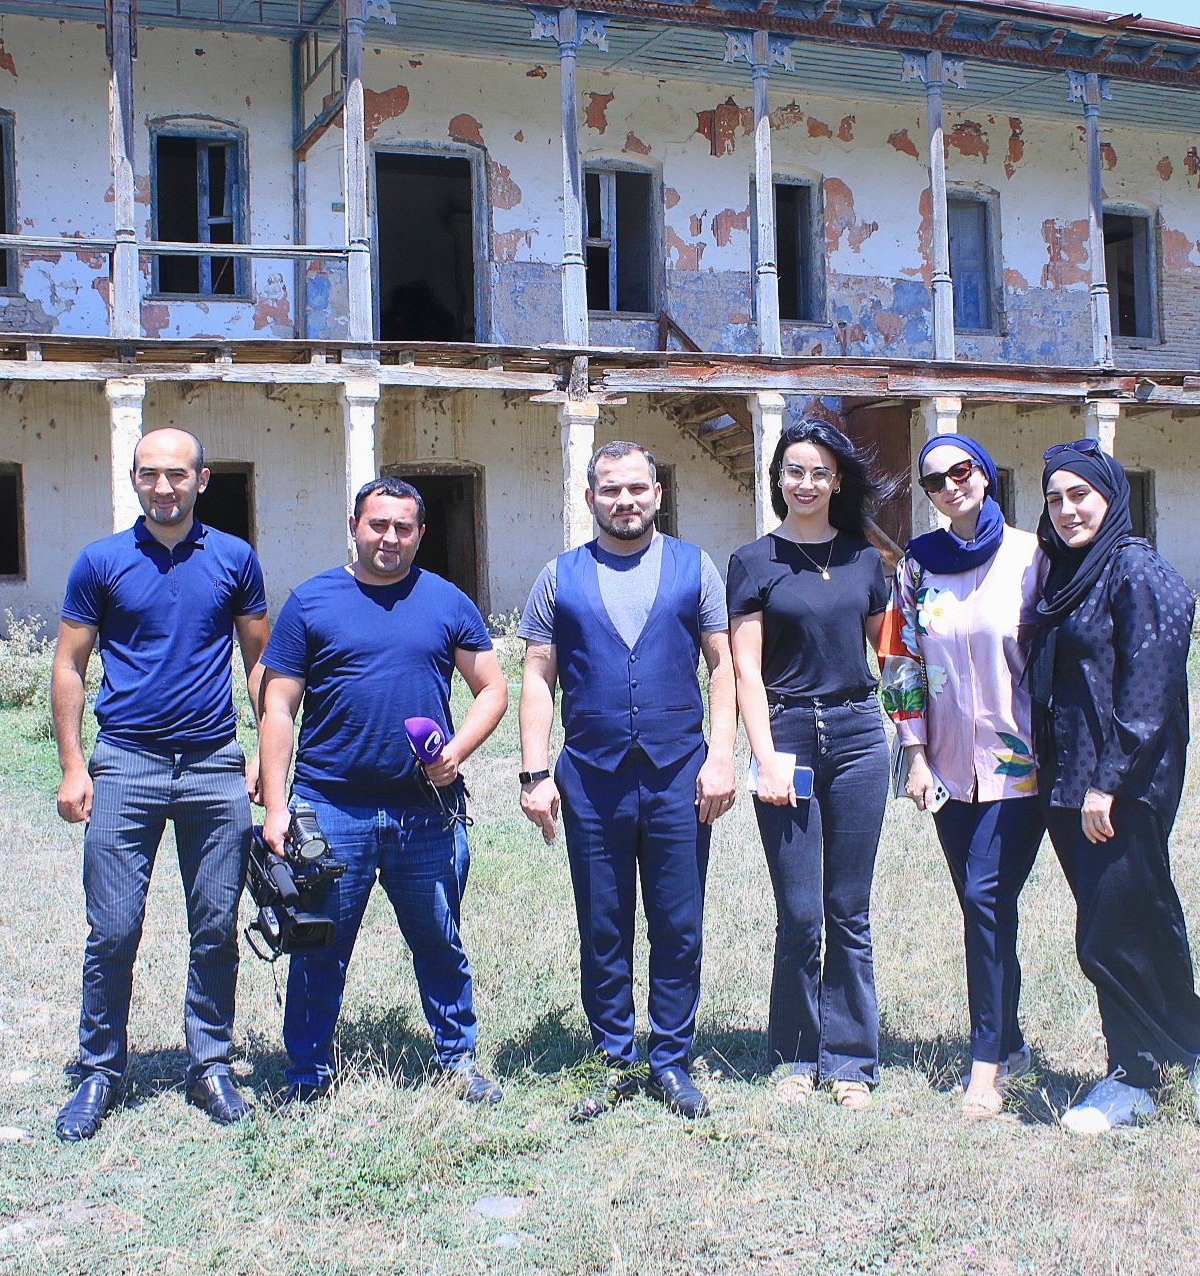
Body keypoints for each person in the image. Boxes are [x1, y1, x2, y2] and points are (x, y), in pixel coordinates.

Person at [257, 476, 509, 1105]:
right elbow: (278, 706)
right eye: (377, 525)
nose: (389, 538)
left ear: (420, 533)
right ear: (354, 527)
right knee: (318, 946)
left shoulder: (446, 600)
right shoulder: (311, 602)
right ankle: (307, 1076)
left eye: (403, 527)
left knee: (439, 942)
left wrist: (455, 752)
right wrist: (277, 806)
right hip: (330, 808)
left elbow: (493, 688)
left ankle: (458, 1061)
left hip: (424, 813)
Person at [51, 427, 269, 1140]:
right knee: (113, 929)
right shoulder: (101, 561)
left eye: (177, 474)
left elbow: (261, 663)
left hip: (212, 764)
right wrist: (74, 765)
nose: (163, 487)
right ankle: (98, 1071)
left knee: (215, 925)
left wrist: (264, 758)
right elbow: (69, 665)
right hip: (126, 763)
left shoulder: (234, 559)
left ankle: (210, 1063)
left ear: (201, 480)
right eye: (150, 474)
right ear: (135, 479)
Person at [517, 441, 737, 1121]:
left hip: (678, 774)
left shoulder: (695, 567)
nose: (625, 501)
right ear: (590, 498)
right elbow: (537, 676)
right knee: (603, 923)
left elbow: (723, 666)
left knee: (678, 922)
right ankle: (613, 1057)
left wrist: (722, 757)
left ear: (657, 493)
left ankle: (670, 1057)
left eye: (637, 488)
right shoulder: (559, 576)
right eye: (611, 490)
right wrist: (534, 772)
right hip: (591, 777)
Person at [1028, 440, 1200, 1134]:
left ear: (1111, 497)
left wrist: (1108, 784)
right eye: (1054, 498)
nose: (1066, 510)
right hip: (1067, 782)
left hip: (1119, 788)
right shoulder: (1067, 572)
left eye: (1080, 495)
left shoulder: (1136, 569)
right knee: (1105, 931)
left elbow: (1149, 689)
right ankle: (1132, 1074)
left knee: (1133, 927)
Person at [878, 432, 1045, 1120]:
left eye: (961, 470)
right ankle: (1011, 1041)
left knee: (984, 899)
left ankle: (986, 1064)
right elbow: (900, 660)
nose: (950, 486)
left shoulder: (1033, 556)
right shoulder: (918, 565)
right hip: (945, 768)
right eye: (934, 481)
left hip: (1021, 767)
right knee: (985, 910)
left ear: (984, 472)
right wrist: (914, 755)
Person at [727, 420, 892, 1110]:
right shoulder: (753, 562)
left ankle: (850, 1060)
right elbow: (744, 670)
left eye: (819, 472)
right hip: (788, 733)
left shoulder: (865, 561)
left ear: (837, 481)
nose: (806, 483)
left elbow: (892, 655)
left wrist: (913, 739)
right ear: (777, 479)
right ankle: (796, 1056)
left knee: (848, 908)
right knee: (799, 912)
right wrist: (764, 757)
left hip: (859, 738)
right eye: (794, 470)